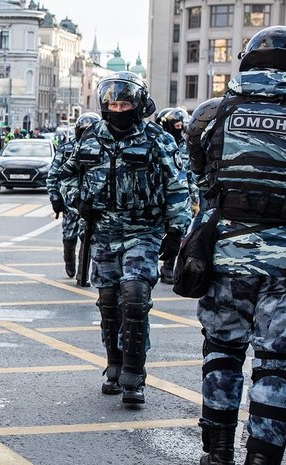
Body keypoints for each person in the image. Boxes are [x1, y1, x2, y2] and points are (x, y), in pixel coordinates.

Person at [183, 26, 286, 465]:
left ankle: (216, 454)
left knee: (221, 353)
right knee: (276, 364)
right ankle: (262, 458)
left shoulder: (212, 112)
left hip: (224, 257)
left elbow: (203, 182)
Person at [57, 71, 190, 405]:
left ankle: (134, 373)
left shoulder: (157, 139)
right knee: (108, 303)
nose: (118, 108)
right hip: (102, 232)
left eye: (125, 102)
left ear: (139, 104)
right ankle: (113, 363)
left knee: (134, 297)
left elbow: (176, 187)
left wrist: (176, 232)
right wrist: (78, 200)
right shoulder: (90, 137)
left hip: (143, 231)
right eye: (113, 103)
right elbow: (64, 175)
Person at [47, 112, 101, 279]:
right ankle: (69, 260)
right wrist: (55, 198)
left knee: (88, 237)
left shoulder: (103, 149)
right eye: (85, 131)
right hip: (70, 203)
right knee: (69, 235)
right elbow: (54, 174)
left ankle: (82, 273)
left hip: (92, 202)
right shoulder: (66, 149)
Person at [157, 107, 198, 285]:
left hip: (179, 196)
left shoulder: (185, 146)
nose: (180, 130)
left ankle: (167, 267)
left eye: (182, 126)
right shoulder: (157, 143)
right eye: (178, 126)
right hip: (157, 197)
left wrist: (194, 197)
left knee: (177, 232)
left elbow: (189, 175)